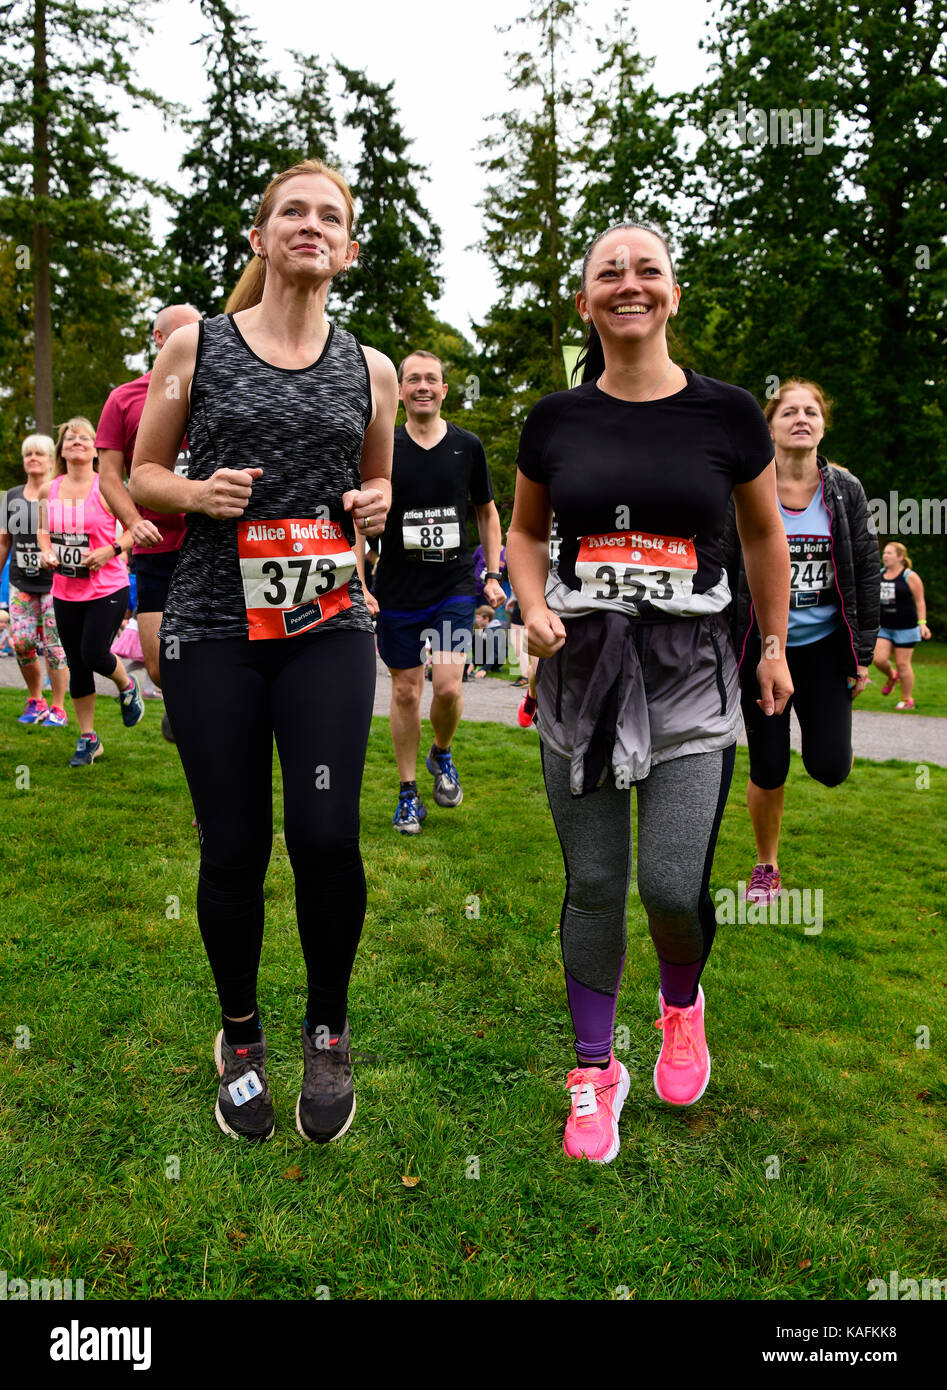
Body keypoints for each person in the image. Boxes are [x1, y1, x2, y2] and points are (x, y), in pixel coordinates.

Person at [507, 221, 792, 1164]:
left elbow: (761, 536)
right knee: (593, 884)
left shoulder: (727, 414)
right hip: (579, 681)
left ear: (672, 293)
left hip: (690, 682)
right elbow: (522, 532)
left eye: (647, 271)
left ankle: (679, 1004)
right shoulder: (554, 420)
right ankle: (594, 1070)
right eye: (607, 274)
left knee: (671, 886)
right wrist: (532, 603)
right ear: (586, 301)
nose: (628, 285)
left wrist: (775, 644)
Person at [129, 159, 396, 1145]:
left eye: (331, 216)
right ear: (259, 236)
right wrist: (197, 495)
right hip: (213, 629)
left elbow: (374, 496)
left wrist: (376, 509)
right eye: (293, 211)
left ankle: (326, 1029)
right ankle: (239, 1036)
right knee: (233, 846)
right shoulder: (196, 345)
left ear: (348, 247)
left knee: (326, 838)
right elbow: (142, 475)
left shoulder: (368, 366)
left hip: (325, 623)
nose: (311, 225)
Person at [725, 380, 880, 902]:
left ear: (823, 424)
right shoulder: (746, 487)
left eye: (811, 411)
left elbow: (864, 570)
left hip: (824, 649)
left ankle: (831, 739)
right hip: (765, 648)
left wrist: (861, 654)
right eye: (788, 411)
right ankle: (766, 866)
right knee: (769, 766)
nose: (801, 418)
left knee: (830, 768)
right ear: (770, 426)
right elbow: (723, 566)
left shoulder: (845, 490)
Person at [373, 350, 505, 835]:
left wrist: (493, 572)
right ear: (401, 391)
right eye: (413, 380)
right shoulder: (383, 447)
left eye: (432, 379)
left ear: (445, 390)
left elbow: (486, 512)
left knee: (448, 685)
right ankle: (408, 793)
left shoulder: (466, 446)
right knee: (406, 691)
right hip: (398, 590)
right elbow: (362, 520)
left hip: (452, 586)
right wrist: (362, 584)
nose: (423, 386)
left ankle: (442, 753)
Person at [97, 304, 203, 741]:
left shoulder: (220, 392)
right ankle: (183, 701)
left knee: (216, 657)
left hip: (211, 545)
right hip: (156, 548)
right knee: (159, 664)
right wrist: (133, 520)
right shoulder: (125, 398)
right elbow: (109, 477)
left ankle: (200, 717)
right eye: (186, 332)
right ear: (160, 340)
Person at [36, 418, 143, 764]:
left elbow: (134, 529)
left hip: (108, 587)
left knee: (92, 652)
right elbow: (41, 532)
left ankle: (127, 686)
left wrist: (110, 550)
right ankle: (88, 738)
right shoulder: (48, 490)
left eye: (84, 437)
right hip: (65, 591)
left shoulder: (108, 487)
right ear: (62, 448)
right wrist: (46, 552)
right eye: (70, 438)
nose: (77, 441)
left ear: (95, 448)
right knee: (77, 665)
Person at [0, 434, 69, 725]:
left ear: (51, 458)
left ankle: (58, 707)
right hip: (20, 581)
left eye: (39, 454)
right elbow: (4, 541)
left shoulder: (59, 491)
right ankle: (35, 700)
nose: (33, 459)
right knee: (23, 643)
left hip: (54, 582)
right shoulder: (12, 496)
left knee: (54, 646)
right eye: (28, 454)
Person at [873, 542, 930, 710]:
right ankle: (892, 676)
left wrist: (923, 624)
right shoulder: (879, 574)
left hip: (906, 627)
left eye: (890, 553)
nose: (885, 556)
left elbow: (920, 602)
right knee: (879, 659)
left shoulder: (909, 576)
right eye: (884, 553)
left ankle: (906, 700)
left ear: (900, 557)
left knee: (903, 664)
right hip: (884, 626)